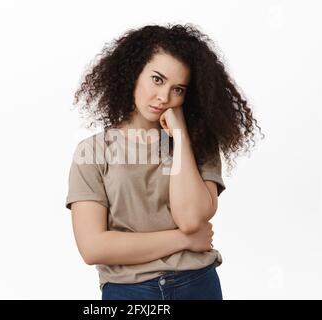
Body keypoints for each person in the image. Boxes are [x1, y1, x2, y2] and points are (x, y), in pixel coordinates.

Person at [65, 23, 263, 300]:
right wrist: (183, 240)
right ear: (134, 73)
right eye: (157, 80)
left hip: (197, 284)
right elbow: (93, 247)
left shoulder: (199, 146)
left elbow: (191, 219)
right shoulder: (93, 151)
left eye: (178, 89)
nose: (164, 97)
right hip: (128, 292)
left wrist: (180, 137)